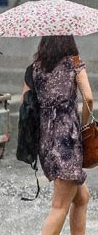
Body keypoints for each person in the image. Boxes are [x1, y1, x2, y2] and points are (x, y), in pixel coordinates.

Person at [21, 36, 91, 235]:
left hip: (46, 141)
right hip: (67, 141)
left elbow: (25, 103)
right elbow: (88, 97)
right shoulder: (73, 62)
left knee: (81, 197)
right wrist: (84, 125)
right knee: (59, 206)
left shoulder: (34, 68)